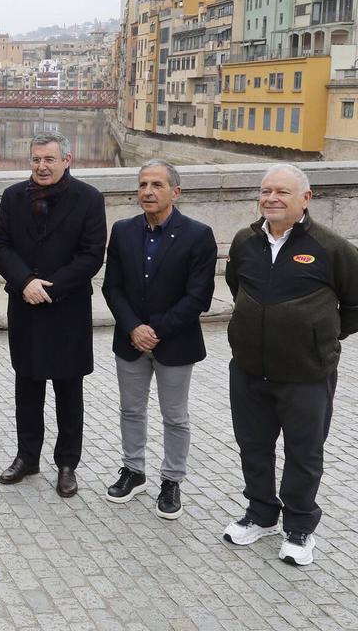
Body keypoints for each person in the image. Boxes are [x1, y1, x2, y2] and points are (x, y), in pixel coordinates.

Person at [221, 163, 358, 566]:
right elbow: (236, 285)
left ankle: (299, 527)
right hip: (248, 369)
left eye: (282, 192)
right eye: (266, 191)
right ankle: (261, 513)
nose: (272, 199)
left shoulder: (332, 247)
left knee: (304, 452)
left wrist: (319, 338)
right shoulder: (245, 241)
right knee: (253, 446)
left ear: (305, 199)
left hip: (306, 374)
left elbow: (353, 306)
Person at [0, 131, 106, 498]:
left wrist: (49, 287)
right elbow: (0, 245)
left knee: (69, 389)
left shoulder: (88, 199)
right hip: (25, 305)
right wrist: (25, 281)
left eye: (49, 160)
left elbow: (91, 255)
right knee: (27, 386)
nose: (42, 166)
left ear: (66, 161)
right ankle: (27, 457)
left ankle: (67, 464)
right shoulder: (12, 197)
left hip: (67, 307)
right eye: (36, 159)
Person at [101, 160, 216, 519]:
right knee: (131, 410)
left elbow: (198, 297)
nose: (147, 192)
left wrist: (156, 330)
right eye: (142, 185)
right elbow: (112, 287)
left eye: (156, 185)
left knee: (175, 416)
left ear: (175, 192)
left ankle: (171, 481)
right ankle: (133, 471)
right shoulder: (122, 231)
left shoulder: (198, 235)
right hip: (130, 339)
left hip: (175, 343)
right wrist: (134, 327)